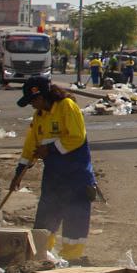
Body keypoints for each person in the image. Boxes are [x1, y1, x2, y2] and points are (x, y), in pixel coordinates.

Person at [13, 77, 98, 262]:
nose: (33, 106)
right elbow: (31, 145)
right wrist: (19, 172)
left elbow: (76, 136)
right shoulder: (39, 116)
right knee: (45, 219)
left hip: (77, 176)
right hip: (53, 177)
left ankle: (72, 259)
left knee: (75, 220)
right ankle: (42, 258)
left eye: (34, 101)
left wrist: (49, 149)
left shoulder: (66, 106)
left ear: (44, 96)